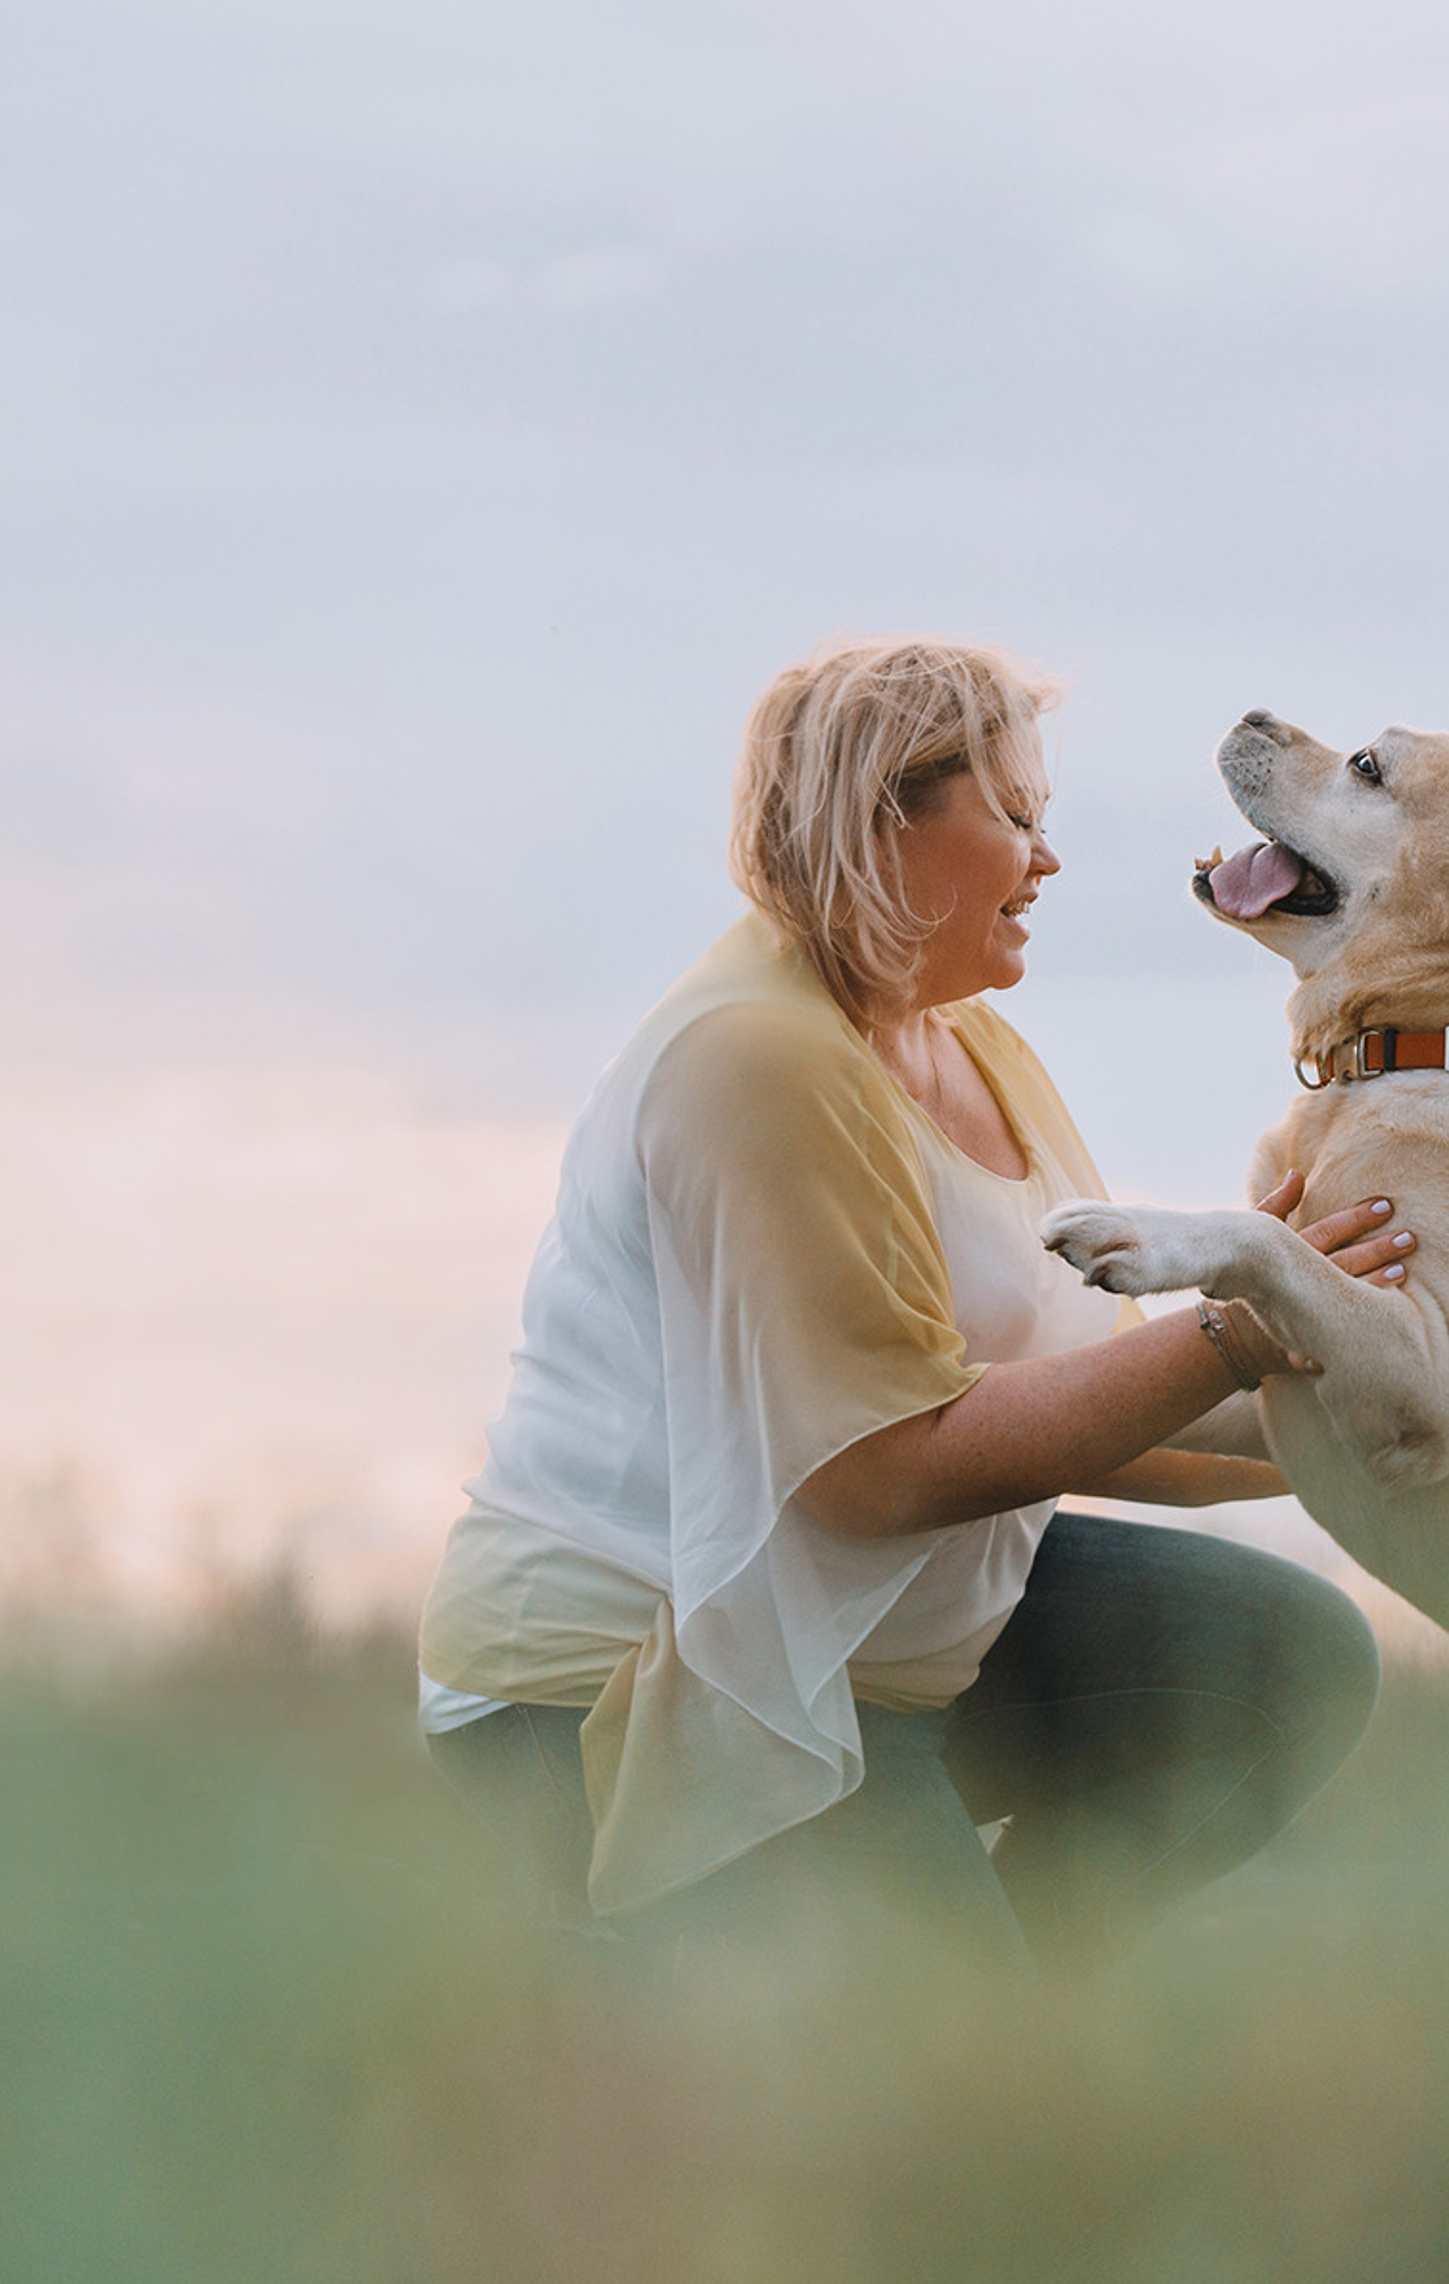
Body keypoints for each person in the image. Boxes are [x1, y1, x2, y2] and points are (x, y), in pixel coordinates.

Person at [416, 636, 1392, 1971]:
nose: (1049, 859)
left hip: (869, 1631)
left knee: (1283, 1659)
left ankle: (993, 2018)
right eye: (1017, 817)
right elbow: (878, 1470)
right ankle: (868, 2030)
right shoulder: (757, 1058)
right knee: (952, 2071)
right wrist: (1245, 1321)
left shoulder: (969, 1039)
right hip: (656, 1668)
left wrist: (1393, 1418)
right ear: (880, 822)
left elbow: (1093, 1398)